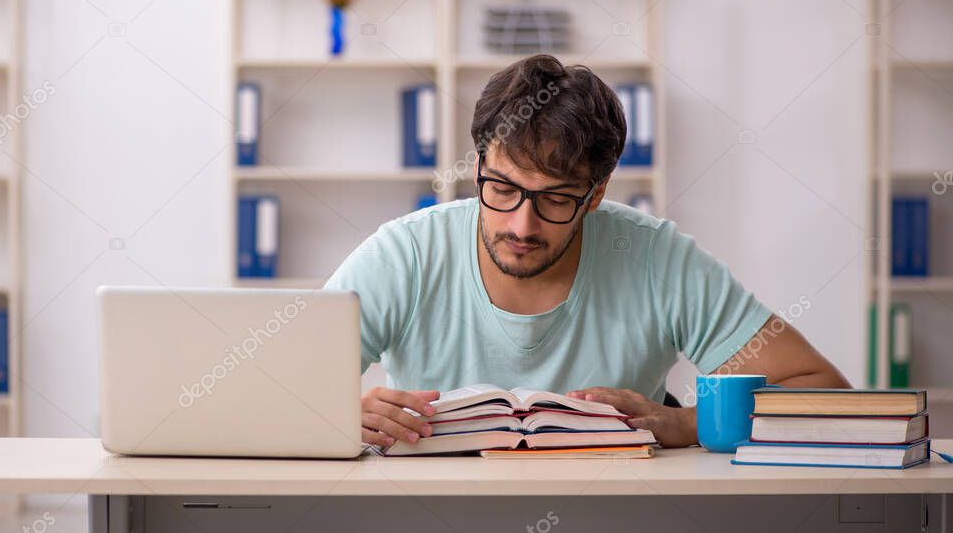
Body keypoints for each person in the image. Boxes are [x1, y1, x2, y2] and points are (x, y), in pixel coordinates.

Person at [324, 54, 849, 450]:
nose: (521, 225)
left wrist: (688, 423)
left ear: (596, 194)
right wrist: (342, 413)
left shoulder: (655, 258)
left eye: (555, 198)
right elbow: (268, 391)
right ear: (479, 167)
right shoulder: (406, 253)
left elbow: (820, 390)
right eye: (502, 189)